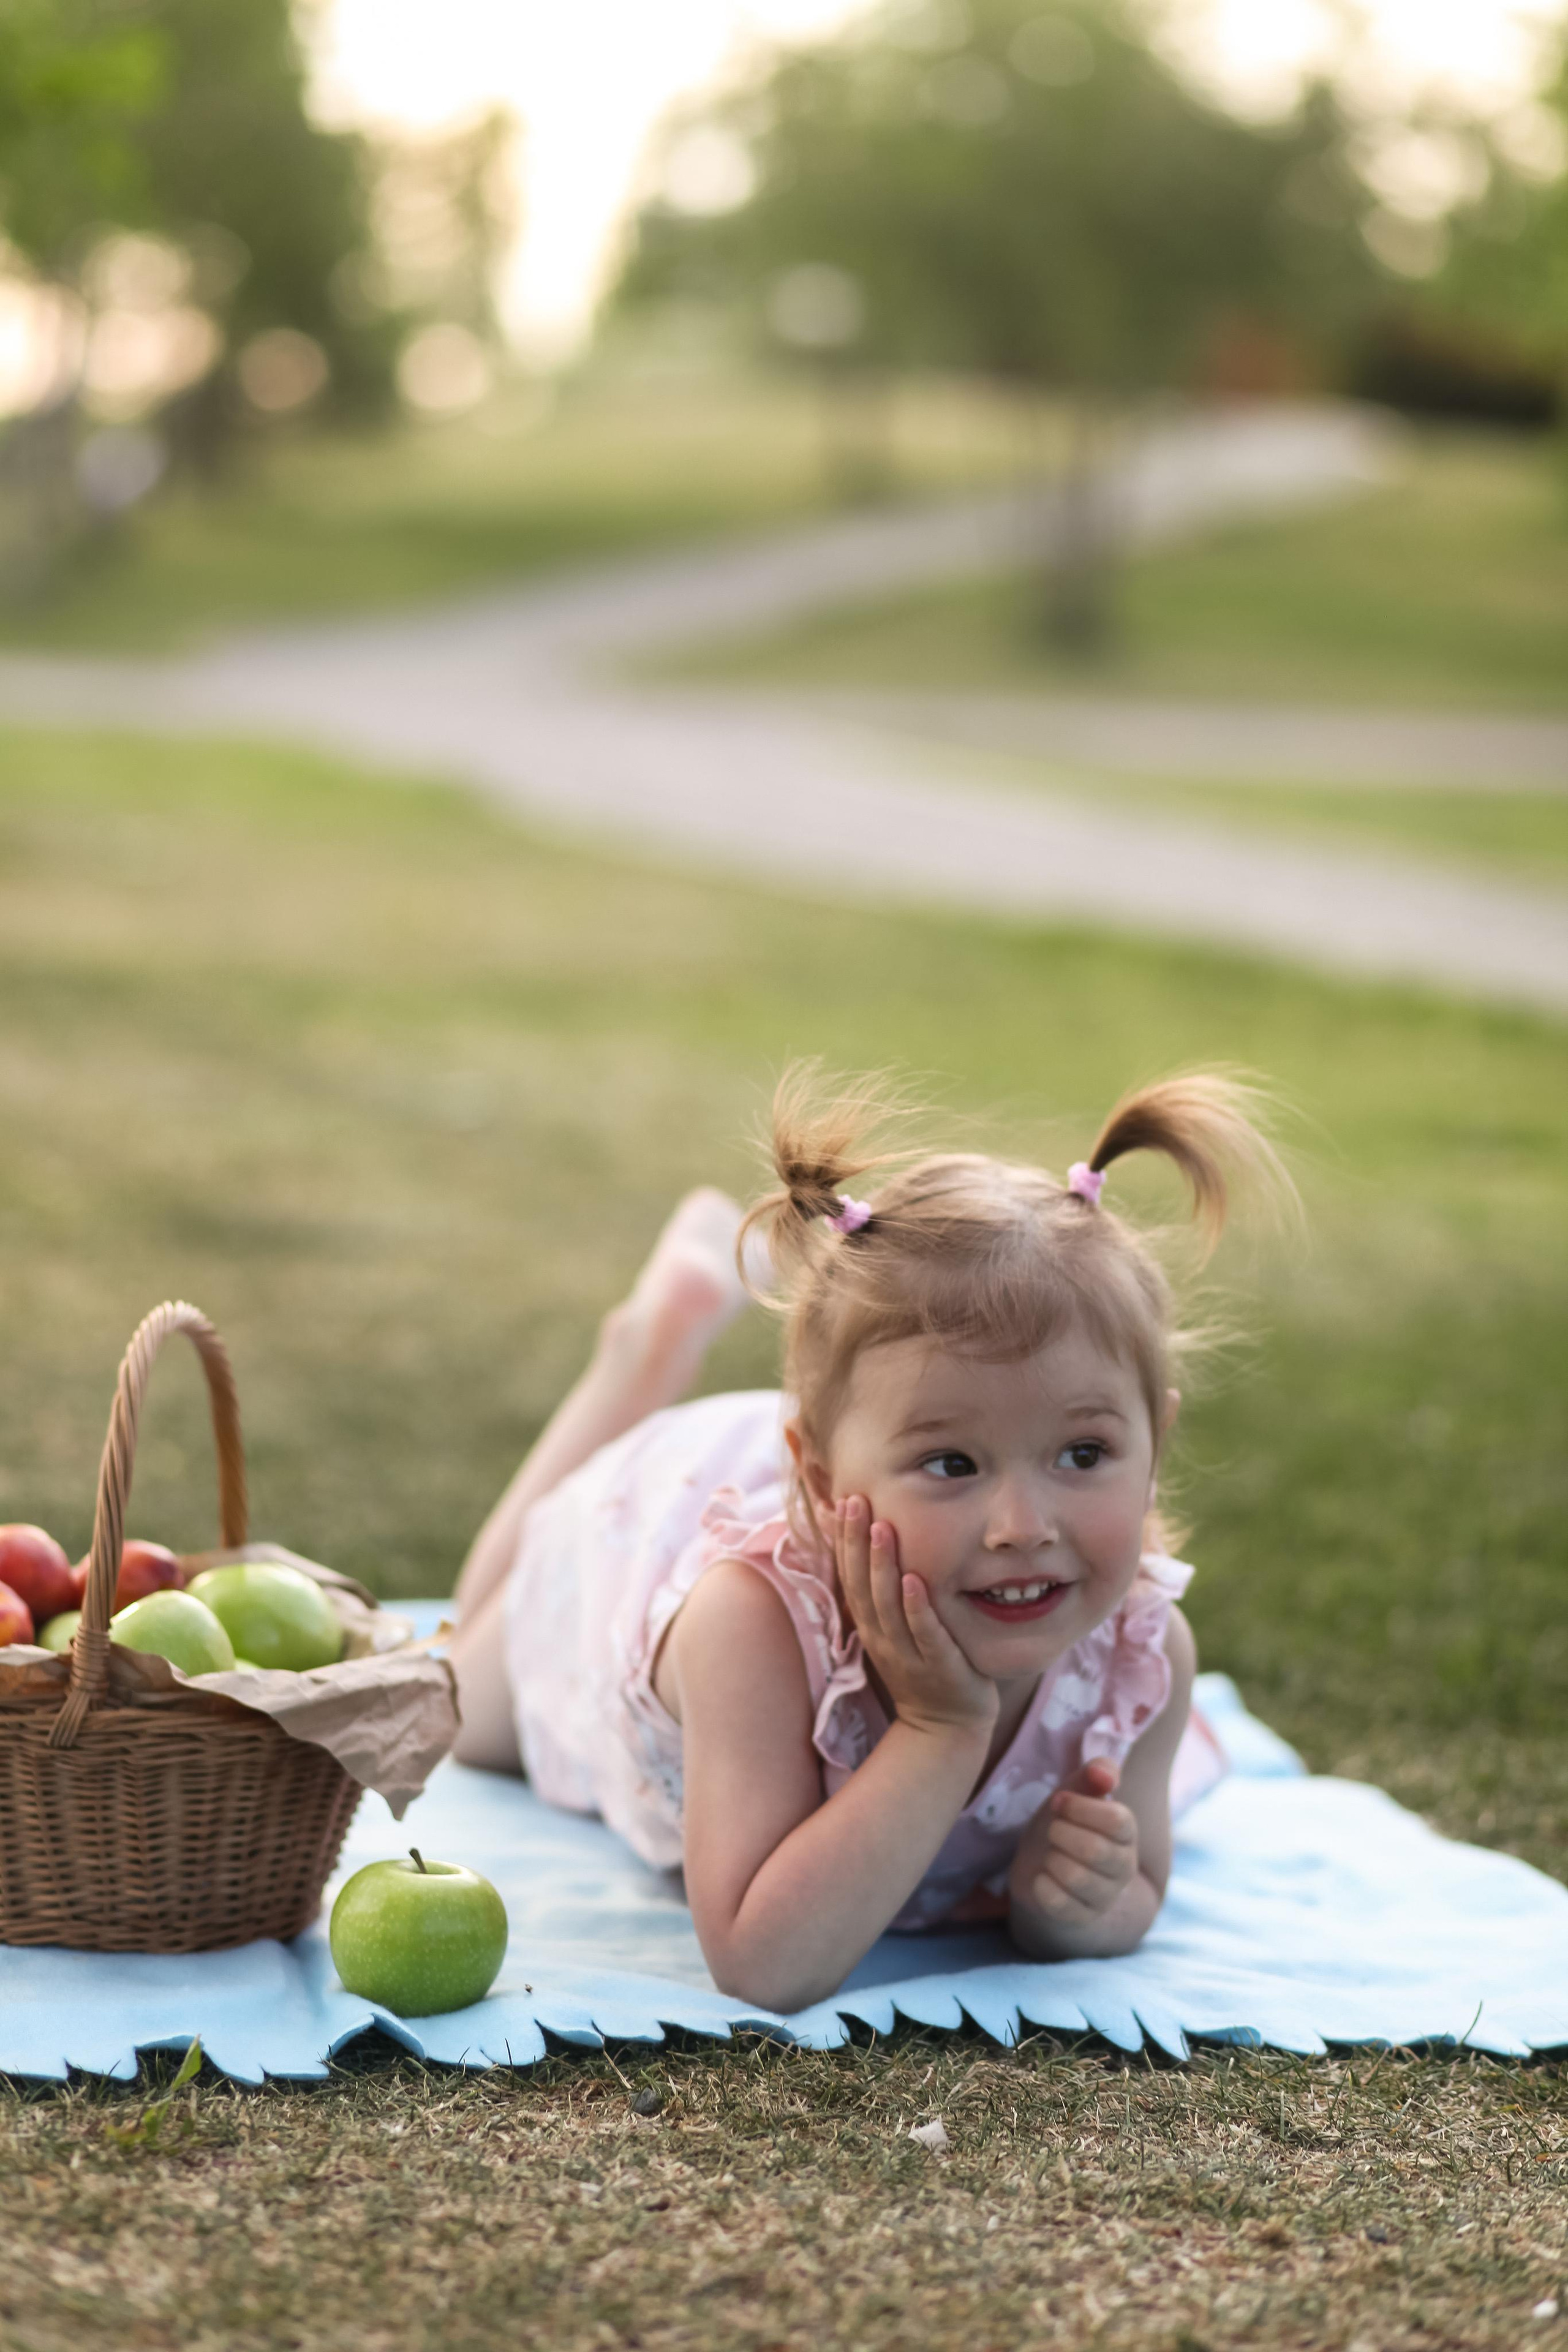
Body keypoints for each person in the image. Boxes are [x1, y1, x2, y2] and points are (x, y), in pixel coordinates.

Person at [449, 1067, 1291, 2013]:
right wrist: (942, 1731)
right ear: (819, 1480)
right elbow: (765, 1963)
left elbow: (1136, 1893)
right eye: (953, 1466)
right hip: (638, 1528)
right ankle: (637, 1360)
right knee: (451, 1698)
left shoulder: (1139, 1653)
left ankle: (665, 1352)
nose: (1024, 1528)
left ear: (1155, 1444)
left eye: (1084, 1452)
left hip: (819, 1456)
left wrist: (1071, 1912)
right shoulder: (750, 1627)